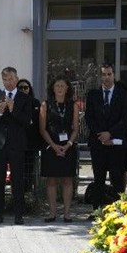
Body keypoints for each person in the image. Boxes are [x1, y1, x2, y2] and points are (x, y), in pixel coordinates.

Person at [0, 66, 32, 225]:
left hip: (16, 144)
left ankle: (19, 215)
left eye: (11, 79)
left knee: (17, 180)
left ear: (16, 79)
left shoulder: (24, 98)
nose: (8, 82)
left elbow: (27, 121)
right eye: (5, 79)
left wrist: (13, 110)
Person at [85, 63, 127, 204]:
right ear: (100, 76)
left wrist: (110, 133)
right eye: (103, 74)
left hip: (116, 143)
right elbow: (89, 118)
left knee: (117, 178)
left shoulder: (123, 94)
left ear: (114, 75)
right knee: (98, 179)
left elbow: (126, 118)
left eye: (109, 74)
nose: (106, 77)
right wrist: (101, 135)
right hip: (98, 143)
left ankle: (118, 209)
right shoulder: (93, 95)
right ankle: (97, 210)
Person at [39, 76, 80, 223]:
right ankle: (52, 213)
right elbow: (42, 129)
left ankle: (67, 213)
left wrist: (68, 144)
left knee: (67, 180)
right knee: (51, 180)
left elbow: (76, 128)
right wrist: (54, 145)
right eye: (57, 86)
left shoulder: (73, 105)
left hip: (68, 147)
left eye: (63, 85)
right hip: (51, 146)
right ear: (53, 88)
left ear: (67, 88)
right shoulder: (45, 105)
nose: (60, 88)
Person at [17, 78, 43, 203]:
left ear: (29, 89)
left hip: (31, 142)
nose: (23, 90)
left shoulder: (35, 102)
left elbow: (39, 122)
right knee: (18, 170)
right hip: (17, 142)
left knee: (30, 170)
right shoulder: (13, 101)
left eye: (25, 87)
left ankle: (29, 194)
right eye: (20, 87)